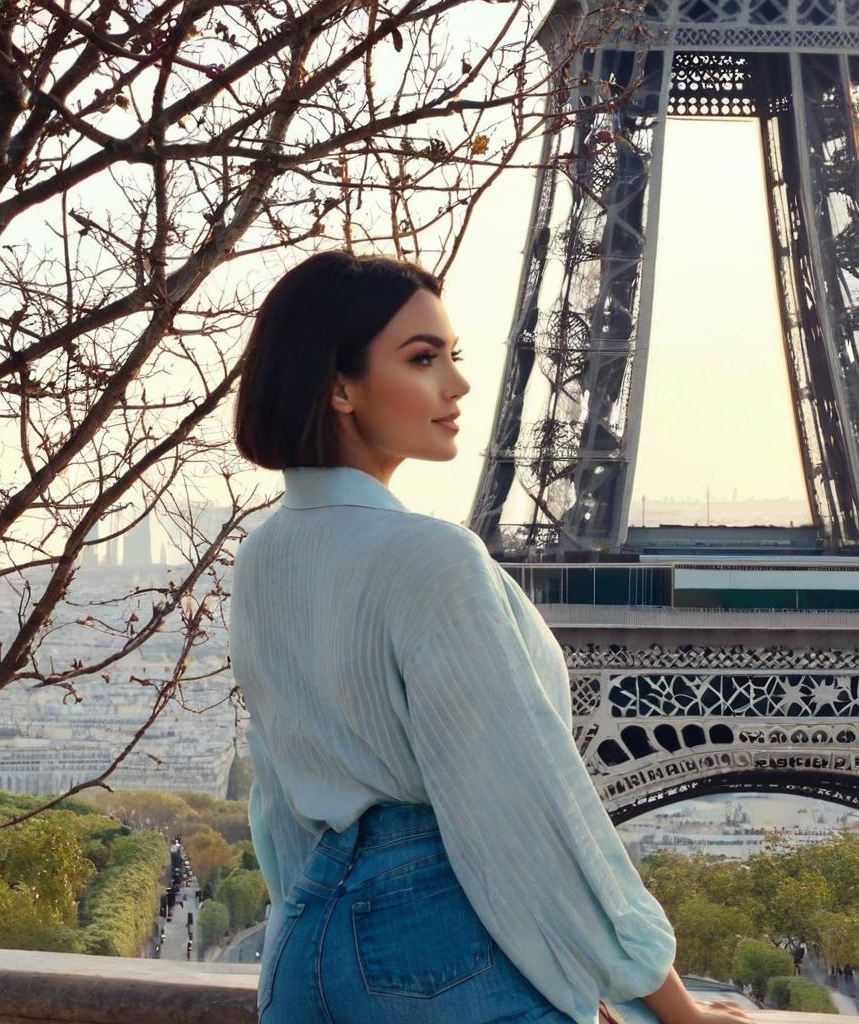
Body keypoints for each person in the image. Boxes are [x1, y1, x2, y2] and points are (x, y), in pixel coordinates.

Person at [229, 249, 756, 1024]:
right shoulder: (433, 558)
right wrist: (673, 1011)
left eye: (453, 355)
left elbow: (277, 808)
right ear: (339, 386)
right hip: (441, 948)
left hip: (303, 957)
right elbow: (526, 811)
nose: (459, 383)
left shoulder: (262, 555)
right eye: (422, 358)